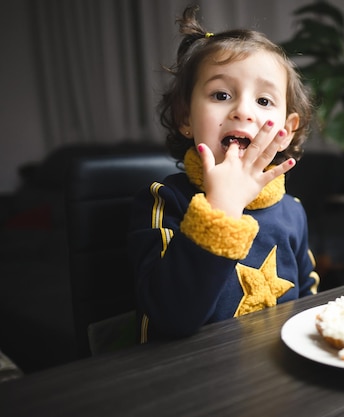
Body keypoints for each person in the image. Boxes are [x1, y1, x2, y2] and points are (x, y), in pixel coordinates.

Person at [128, 5, 318, 342]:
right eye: (221, 95)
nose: (243, 110)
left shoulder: (293, 210)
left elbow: (307, 304)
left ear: (285, 131)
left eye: (263, 100)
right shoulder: (163, 201)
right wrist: (221, 209)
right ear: (186, 118)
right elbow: (169, 318)